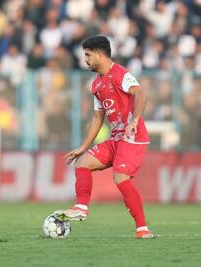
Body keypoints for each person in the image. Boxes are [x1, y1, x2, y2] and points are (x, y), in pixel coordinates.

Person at [55, 35, 154, 239]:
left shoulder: (120, 74)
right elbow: (97, 117)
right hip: (116, 138)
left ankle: (142, 229)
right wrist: (83, 146)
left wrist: (135, 120)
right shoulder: (96, 85)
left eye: (88, 55)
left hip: (133, 136)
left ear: (100, 55)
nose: (86, 60)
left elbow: (141, 94)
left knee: (120, 178)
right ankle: (81, 207)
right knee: (82, 163)